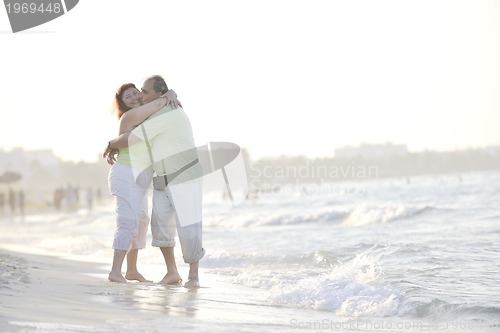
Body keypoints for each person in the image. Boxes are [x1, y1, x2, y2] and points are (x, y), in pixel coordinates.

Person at [105, 75, 204, 288]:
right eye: (132, 93)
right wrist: (169, 93)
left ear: (158, 95)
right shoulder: (142, 115)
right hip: (150, 176)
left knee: (184, 226)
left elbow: (132, 139)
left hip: (180, 175)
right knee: (155, 227)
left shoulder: (163, 113)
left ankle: (192, 276)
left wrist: (111, 143)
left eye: (142, 91)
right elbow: (130, 138)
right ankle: (170, 272)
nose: (139, 95)